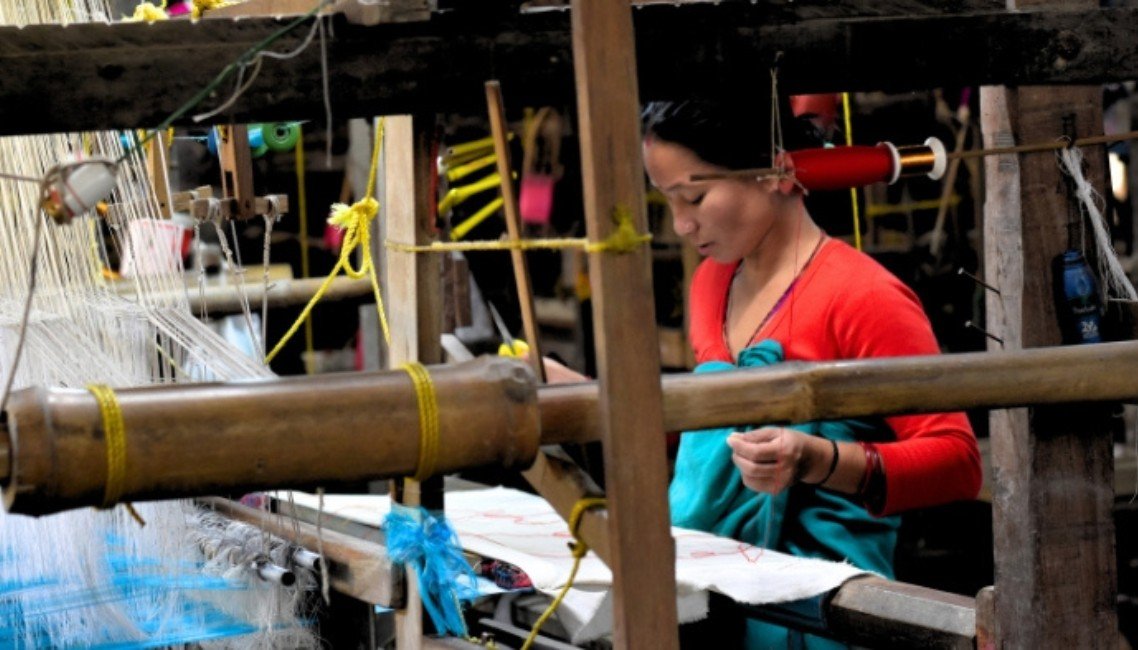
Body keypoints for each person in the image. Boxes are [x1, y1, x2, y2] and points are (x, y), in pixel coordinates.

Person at [543, 98, 982, 648]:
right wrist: (588, 401)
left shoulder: (864, 298)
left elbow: (958, 461)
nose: (681, 224)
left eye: (696, 197)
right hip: (713, 591)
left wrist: (817, 460)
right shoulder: (712, 284)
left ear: (775, 171)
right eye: (669, 202)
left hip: (822, 611)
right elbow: (713, 444)